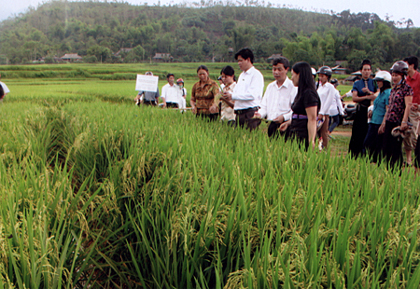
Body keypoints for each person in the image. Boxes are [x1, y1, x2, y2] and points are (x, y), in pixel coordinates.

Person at [379, 61, 413, 168]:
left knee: (396, 148)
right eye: (393, 75)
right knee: (386, 147)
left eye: (397, 75)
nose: (394, 77)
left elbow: (408, 105)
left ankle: (396, 173)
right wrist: (384, 122)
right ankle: (389, 170)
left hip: (398, 122)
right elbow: (389, 107)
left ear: (403, 76)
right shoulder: (393, 89)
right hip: (389, 120)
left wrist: (404, 121)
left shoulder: (407, 89)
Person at [280, 61, 320, 150]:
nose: (291, 78)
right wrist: (288, 123)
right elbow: (300, 114)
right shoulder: (301, 92)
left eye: (292, 74)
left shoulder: (309, 93)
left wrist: (311, 141)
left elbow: (312, 118)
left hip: (303, 133)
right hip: (295, 130)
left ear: (299, 75)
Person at [253, 57, 297, 138]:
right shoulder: (270, 86)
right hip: (272, 124)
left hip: (286, 125)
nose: (276, 72)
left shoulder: (292, 87)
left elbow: (295, 110)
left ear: (286, 69)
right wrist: (260, 114)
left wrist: (284, 117)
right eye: (274, 69)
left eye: (279, 69)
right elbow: (264, 106)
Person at [223, 48, 264, 131]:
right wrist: (228, 94)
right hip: (239, 114)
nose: (239, 63)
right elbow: (237, 92)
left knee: (249, 140)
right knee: (239, 140)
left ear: (248, 60)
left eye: (240, 60)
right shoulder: (242, 75)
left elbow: (252, 95)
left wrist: (233, 96)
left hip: (249, 114)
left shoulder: (256, 75)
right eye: (238, 61)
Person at [348, 59, 377, 158]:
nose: (367, 72)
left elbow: (377, 95)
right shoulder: (357, 83)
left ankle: (367, 154)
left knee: (369, 132)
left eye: (369, 69)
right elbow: (354, 98)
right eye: (365, 69)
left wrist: (369, 93)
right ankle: (355, 153)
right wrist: (366, 97)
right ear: (361, 71)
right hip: (361, 110)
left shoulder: (374, 83)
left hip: (371, 111)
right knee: (358, 132)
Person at [363, 71, 392, 162]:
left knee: (377, 145)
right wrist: (371, 110)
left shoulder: (388, 93)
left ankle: (375, 163)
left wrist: (383, 124)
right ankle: (368, 161)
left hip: (379, 123)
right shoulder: (380, 92)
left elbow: (388, 110)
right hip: (373, 121)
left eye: (380, 81)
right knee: (367, 143)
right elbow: (376, 104)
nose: (378, 83)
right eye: (377, 81)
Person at [403, 56, 420, 166]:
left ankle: (417, 158)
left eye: (406, 65)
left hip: (415, 110)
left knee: (414, 135)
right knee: (406, 135)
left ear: (412, 65)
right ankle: (408, 159)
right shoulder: (406, 79)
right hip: (406, 109)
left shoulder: (419, 78)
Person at [316, 66, 335, 149]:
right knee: (316, 132)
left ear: (327, 76)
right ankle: (317, 147)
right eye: (319, 76)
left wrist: (322, 112)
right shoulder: (320, 87)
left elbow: (329, 101)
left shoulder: (330, 87)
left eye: (322, 76)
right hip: (317, 111)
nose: (320, 78)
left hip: (324, 113)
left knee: (324, 133)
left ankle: (325, 149)